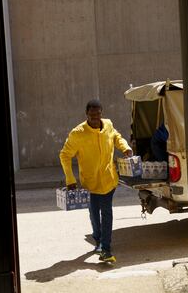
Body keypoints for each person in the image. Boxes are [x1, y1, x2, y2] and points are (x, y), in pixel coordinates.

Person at [59, 99, 133, 263]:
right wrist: (70, 179)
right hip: (90, 184)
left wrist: (125, 147)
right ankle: (98, 239)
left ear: (101, 113)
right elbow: (64, 155)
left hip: (109, 180)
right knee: (94, 213)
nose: (95, 118)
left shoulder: (108, 124)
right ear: (87, 114)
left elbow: (116, 137)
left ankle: (105, 248)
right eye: (92, 115)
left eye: (98, 114)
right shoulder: (77, 133)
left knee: (106, 213)